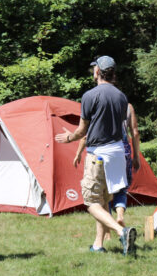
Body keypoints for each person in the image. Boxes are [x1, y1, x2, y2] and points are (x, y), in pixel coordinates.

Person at [55, 56, 137, 255]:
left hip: (99, 155)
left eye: (94, 69)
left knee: (91, 202)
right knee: (103, 201)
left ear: (98, 72)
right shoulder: (121, 97)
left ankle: (121, 231)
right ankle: (98, 245)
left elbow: (83, 130)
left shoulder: (90, 96)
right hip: (119, 153)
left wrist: (69, 138)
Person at [74, 102, 141, 229]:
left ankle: (108, 231)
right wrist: (136, 156)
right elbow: (135, 133)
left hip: (103, 150)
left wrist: (78, 153)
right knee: (121, 188)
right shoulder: (128, 107)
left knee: (105, 190)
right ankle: (120, 215)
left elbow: (86, 135)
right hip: (123, 150)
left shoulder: (99, 107)